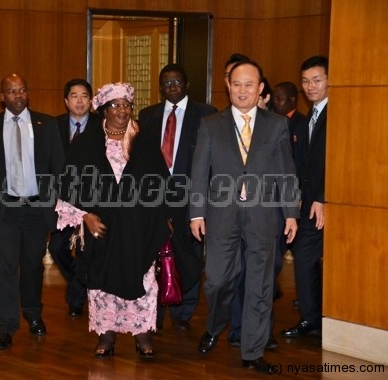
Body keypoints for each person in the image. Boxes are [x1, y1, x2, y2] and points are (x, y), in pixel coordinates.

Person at [189, 60, 299, 374]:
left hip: (264, 216)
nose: (242, 90)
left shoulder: (276, 124)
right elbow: (199, 173)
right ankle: (215, 324)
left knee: (260, 285)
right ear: (228, 86)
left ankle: (252, 351)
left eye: (249, 84)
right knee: (219, 281)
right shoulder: (212, 124)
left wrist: (291, 213)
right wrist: (196, 213)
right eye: (236, 84)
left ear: (260, 88)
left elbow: (286, 171)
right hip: (221, 215)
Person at [56, 82, 172, 359]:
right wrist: (85, 217)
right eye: (115, 105)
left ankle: (142, 333)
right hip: (101, 229)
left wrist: (160, 219)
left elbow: (161, 184)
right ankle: (106, 334)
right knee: (101, 280)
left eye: (127, 105)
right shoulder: (86, 144)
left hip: (138, 228)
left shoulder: (144, 139)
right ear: (104, 110)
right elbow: (68, 187)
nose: (122, 110)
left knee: (141, 278)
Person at [0, 73, 65, 350]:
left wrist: (64, 206)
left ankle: (33, 313)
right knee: (6, 268)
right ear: (2, 97)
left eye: (22, 90)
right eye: (11, 91)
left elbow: (59, 169)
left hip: (37, 208)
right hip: (5, 208)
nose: (18, 95)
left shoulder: (47, 125)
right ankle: (5, 327)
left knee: (33, 266)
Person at [138, 64, 217, 332]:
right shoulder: (147, 115)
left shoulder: (206, 114)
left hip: (191, 195)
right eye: (167, 83)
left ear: (187, 85)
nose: (172, 87)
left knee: (190, 254)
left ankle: (184, 312)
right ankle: (156, 312)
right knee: (156, 254)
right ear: (161, 87)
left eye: (177, 82)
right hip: (155, 198)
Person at [281, 56, 328, 339]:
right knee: (304, 258)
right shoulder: (305, 119)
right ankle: (311, 318)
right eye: (306, 81)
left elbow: (338, 161)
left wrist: (323, 197)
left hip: (330, 202)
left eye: (317, 80)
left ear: (330, 80)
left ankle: (322, 317)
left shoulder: (339, 113)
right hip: (306, 203)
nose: (310, 86)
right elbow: (301, 163)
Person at [48, 78, 101, 317]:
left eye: (84, 96)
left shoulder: (102, 126)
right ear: (66, 101)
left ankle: (76, 299)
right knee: (57, 247)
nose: (79, 101)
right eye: (74, 96)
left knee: (84, 251)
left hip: (92, 200)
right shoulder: (53, 126)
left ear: (91, 101)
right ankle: (82, 283)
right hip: (63, 200)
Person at [272, 81, 308, 177]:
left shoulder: (304, 123)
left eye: (279, 98)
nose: (275, 102)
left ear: (292, 100)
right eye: (274, 98)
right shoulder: (272, 122)